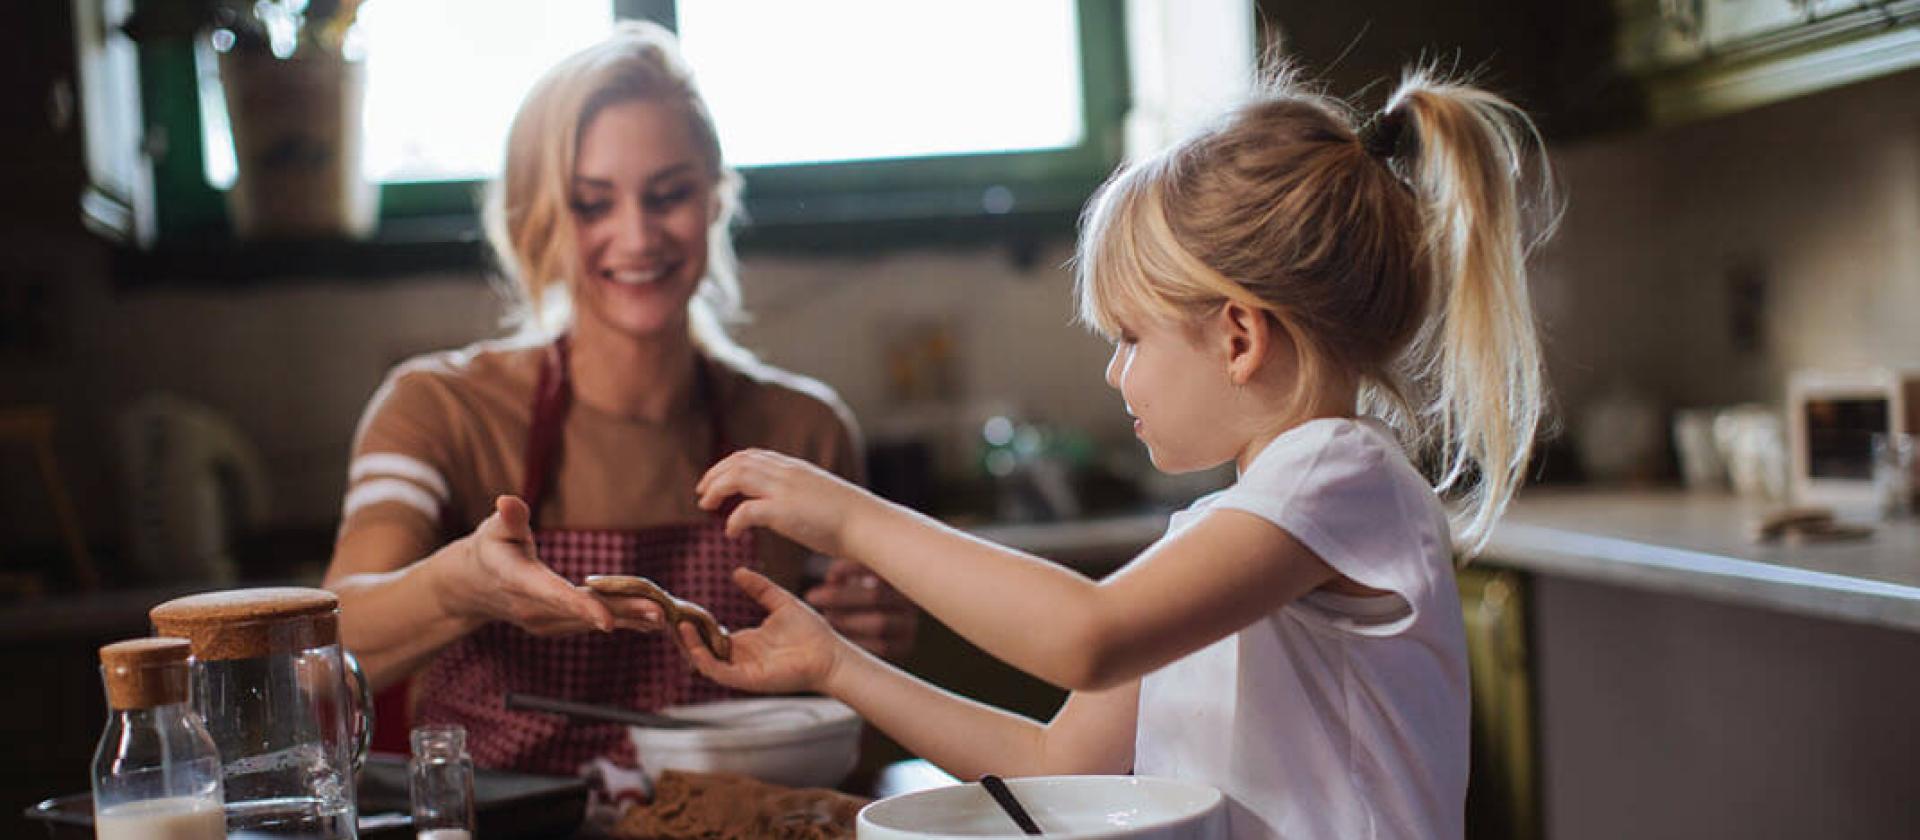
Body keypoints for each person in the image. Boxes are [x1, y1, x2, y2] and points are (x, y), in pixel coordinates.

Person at [680, 65, 1553, 840]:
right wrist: (837, 663)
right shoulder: (1227, 536)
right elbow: (1059, 768)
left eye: (1131, 337)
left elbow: (1085, 636)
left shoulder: (1338, 473)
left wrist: (850, 516)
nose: (1114, 370)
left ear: (1239, 336)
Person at [321, 22, 915, 777]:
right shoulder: (436, 410)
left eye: (668, 195)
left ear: (715, 203)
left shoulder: (806, 430)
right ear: (534, 220)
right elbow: (327, 650)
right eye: (592, 204)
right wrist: (460, 586)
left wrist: (869, 641)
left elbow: (842, 713)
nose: (636, 236)